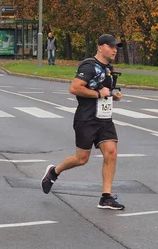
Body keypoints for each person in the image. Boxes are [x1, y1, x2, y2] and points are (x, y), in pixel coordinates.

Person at [42, 34, 125, 210]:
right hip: (86, 119)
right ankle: (53, 172)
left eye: (116, 47)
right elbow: (74, 88)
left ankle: (106, 197)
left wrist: (112, 95)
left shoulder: (108, 68)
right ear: (100, 47)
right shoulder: (89, 66)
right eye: (111, 47)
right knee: (81, 159)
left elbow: (104, 91)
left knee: (111, 153)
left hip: (104, 119)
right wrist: (98, 94)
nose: (114, 50)